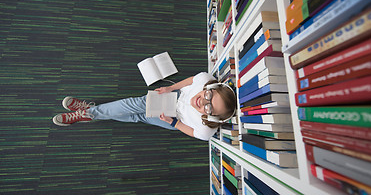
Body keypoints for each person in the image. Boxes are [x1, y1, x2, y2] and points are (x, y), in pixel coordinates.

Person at [52, 72, 237, 141]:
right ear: (211, 88)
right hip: (175, 98)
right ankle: (90, 113)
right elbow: (191, 80)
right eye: (208, 96)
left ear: (212, 117)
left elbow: (190, 132)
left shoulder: (207, 130)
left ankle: (88, 113)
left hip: (176, 119)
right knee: (133, 104)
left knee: (138, 116)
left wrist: (173, 123)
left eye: (209, 108)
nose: (202, 102)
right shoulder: (206, 79)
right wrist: (171, 87)